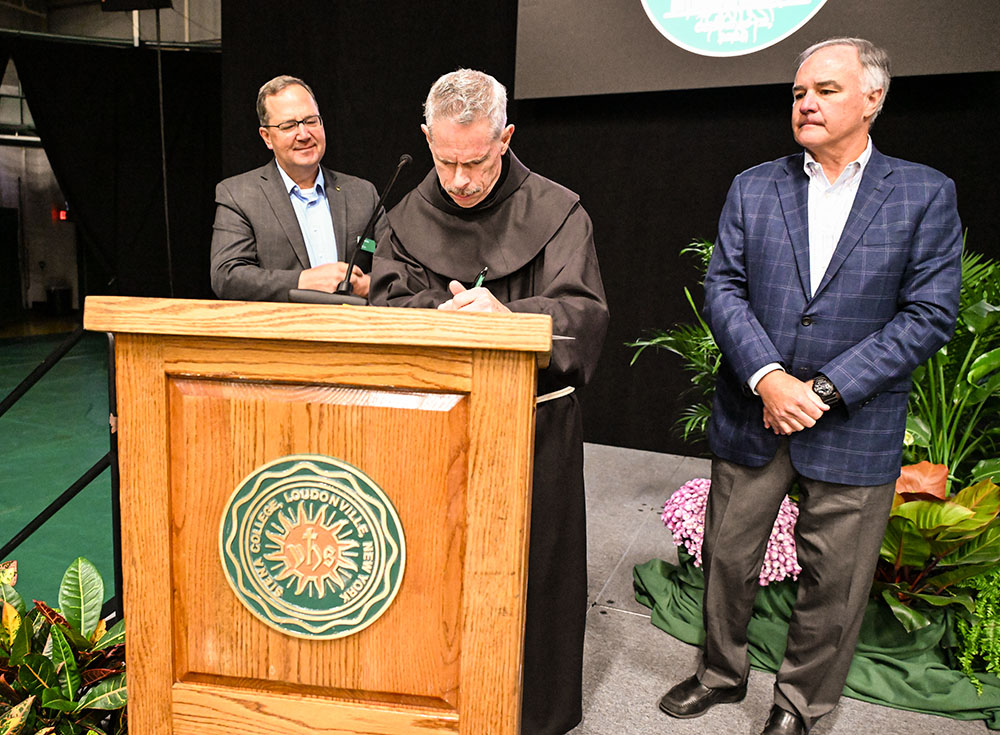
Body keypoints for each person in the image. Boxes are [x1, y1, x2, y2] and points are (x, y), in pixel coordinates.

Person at [658, 38, 962, 735]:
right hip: (754, 409)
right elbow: (725, 287)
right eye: (799, 93)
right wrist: (768, 377)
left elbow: (929, 314)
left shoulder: (923, 193)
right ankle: (719, 673)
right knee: (728, 556)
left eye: (825, 89)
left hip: (855, 421)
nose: (807, 103)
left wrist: (821, 389)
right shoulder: (753, 185)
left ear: (873, 98)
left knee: (837, 580)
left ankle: (800, 705)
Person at [369, 69, 608, 735]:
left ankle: (533, 713)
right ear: (427, 137)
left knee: (532, 578)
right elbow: (385, 308)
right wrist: (448, 312)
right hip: (432, 428)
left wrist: (509, 315)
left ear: (505, 138)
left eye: (475, 161)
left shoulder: (558, 210)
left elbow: (583, 314)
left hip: (534, 424)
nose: (461, 180)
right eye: (445, 160)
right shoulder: (404, 217)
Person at [210, 75, 385, 302]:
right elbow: (227, 277)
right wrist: (302, 281)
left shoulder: (362, 194)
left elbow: (395, 267)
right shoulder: (239, 195)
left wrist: (367, 284)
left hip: (354, 331)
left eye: (311, 121)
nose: (304, 135)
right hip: (281, 332)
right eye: (289, 126)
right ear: (267, 137)